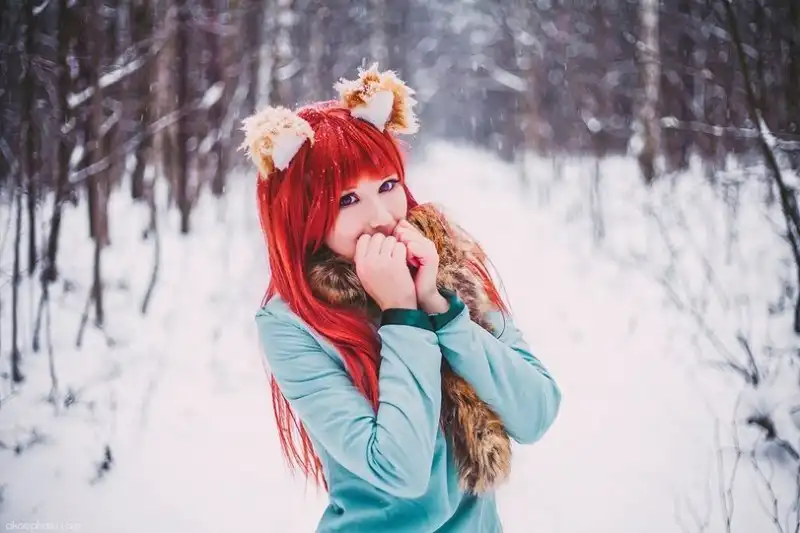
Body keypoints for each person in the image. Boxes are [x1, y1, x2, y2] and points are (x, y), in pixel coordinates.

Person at [241, 64, 562, 533]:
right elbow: (400, 469)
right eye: (346, 200)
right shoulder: (292, 322)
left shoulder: (444, 262)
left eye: (387, 186)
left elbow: (536, 413)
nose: (380, 216)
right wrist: (401, 316)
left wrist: (437, 305)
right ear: (304, 215)